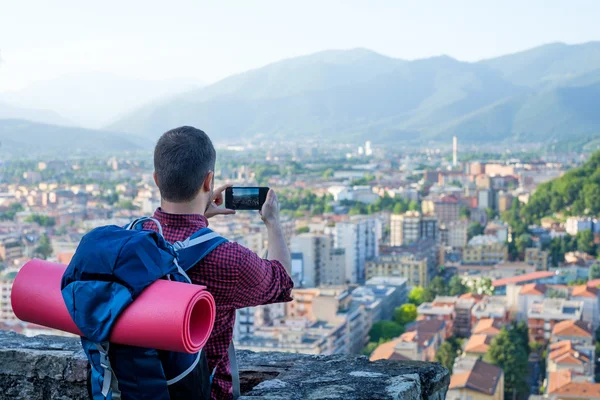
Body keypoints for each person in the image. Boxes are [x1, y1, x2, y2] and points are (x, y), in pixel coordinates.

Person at [149, 126, 294, 399]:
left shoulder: (135, 238)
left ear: (157, 180)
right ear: (209, 181)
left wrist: (198, 214)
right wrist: (273, 222)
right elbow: (282, 281)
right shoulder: (226, 258)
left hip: (139, 388)